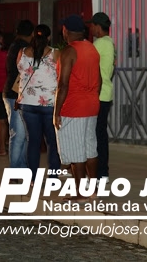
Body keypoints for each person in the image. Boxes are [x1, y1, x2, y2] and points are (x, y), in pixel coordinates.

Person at [54, 15, 101, 201]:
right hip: (92, 104)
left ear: (65, 30)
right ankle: (94, 189)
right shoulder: (92, 49)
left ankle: (80, 192)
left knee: (75, 150)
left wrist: (57, 111)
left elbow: (63, 84)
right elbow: (100, 79)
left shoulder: (69, 51)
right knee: (90, 147)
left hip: (73, 106)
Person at [17, 24, 61, 183]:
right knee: (52, 143)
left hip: (28, 103)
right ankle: (53, 177)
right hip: (49, 103)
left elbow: (19, 71)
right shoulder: (55, 53)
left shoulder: (22, 52)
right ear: (49, 37)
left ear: (33, 36)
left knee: (33, 141)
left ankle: (33, 178)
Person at [87, 12, 115, 182]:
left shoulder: (99, 44)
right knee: (100, 134)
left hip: (98, 94)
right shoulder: (109, 43)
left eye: (92, 25)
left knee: (95, 136)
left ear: (98, 27)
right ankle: (102, 172)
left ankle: (99, 173)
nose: (90, 29)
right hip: (105, 94)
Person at [3, 20, 34, 169]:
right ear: (32, 34)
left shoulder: (14, 46)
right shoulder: (24, 49)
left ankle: (21, 167)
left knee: (20, 134)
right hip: (17, 93)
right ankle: (16, 169)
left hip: (12, 92)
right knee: (19, 135)